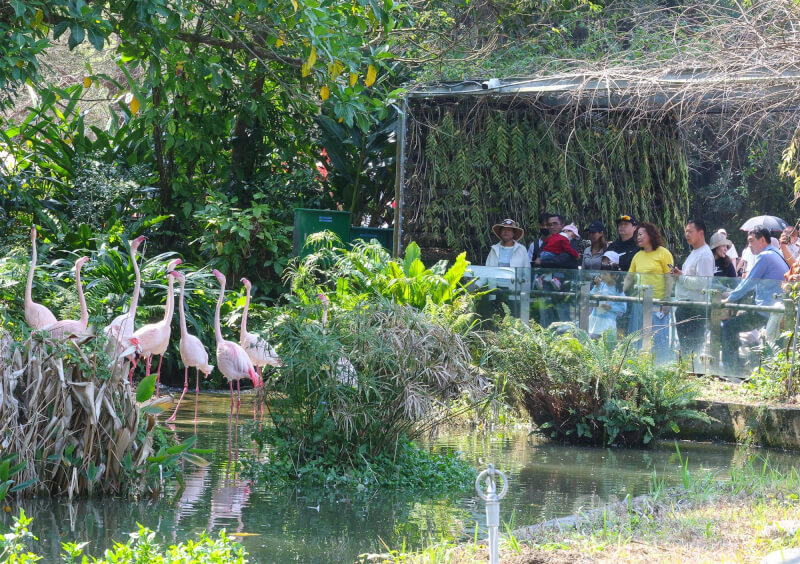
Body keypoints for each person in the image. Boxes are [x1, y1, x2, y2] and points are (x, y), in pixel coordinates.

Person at [721, 226, 789, 374]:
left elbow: (749, 281)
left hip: (766, 311)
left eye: (751, 241)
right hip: (776, 310)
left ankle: (730, 368)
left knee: (729, 327)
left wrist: (730, 298)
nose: (749, 245)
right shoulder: (777, 253)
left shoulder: (765, 256)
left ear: (762, 240)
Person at [624, 222, 674, 363]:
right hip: (640, 304)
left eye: (641, 234)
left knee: (658, 339)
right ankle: (640, 366)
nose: (638, 237)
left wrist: (667, 299)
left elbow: (669, 278)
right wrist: (620, 293)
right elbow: (629, 277)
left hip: (657, 304)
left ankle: (660, 366)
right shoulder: (637, 256)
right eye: (637, 235)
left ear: (651, 234)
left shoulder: (664, 253)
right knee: (640, 338)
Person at [670, 219, 714, 362]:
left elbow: (702, 283)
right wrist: (679, 276)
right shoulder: (695, 252)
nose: (687, 235)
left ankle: (692, 371)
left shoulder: (705, 254)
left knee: (693, 347)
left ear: (701, 233)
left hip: (694, 307)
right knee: (685, 346)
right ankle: (686, 370)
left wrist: (681, 277)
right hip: (685, 306)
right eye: (686, 231)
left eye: (690, 231)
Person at [588, 269, 626, 339]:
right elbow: (590, 297)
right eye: (601, 273)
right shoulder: (601, 285)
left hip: (608, 321)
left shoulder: (618, 290)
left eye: (605, 274)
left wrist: (610, 307)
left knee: (606, 342)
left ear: (614, 275)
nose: (602, 276)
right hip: (595, 319)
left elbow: (623, 308)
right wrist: (597, 286)